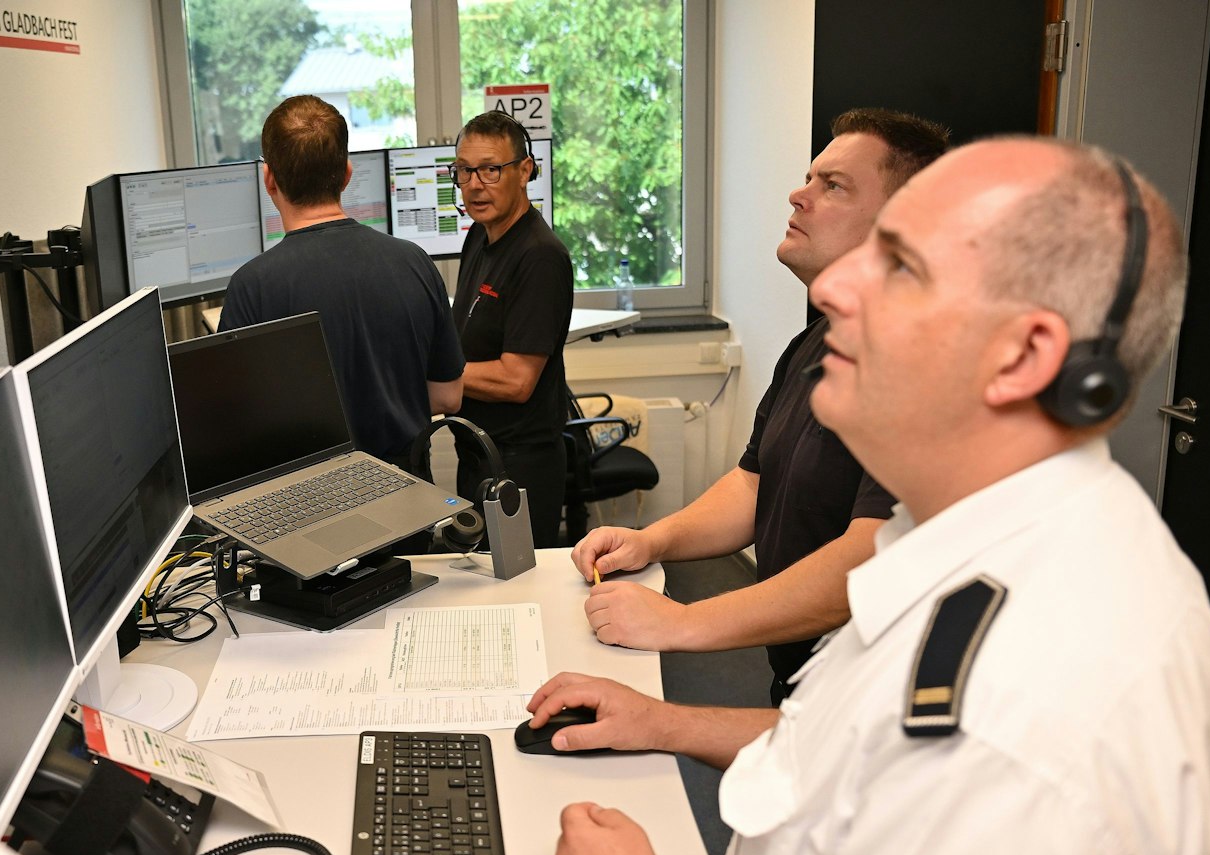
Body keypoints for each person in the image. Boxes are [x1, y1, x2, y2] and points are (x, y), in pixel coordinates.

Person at [530, 138, 1210, 855]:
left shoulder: (1037, 704)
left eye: (899, 265)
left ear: (1023, 356)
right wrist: (664, 723)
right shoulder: (961, 535)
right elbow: (864, 753)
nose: (836, 286)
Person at [573, 109, 948, 704]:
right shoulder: (814, 342)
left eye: (833, 186)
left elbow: (872, 555)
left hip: (873, 695)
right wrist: (653, 540)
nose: (799, 196)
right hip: (800, 677)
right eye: (809, 178)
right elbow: (753, 485)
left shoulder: (924, 363)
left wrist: (683, 622)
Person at [220, 95, 462, 471]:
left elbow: (237, 425)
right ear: (347, 174)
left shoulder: (252, 287)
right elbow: (448, 397)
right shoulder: (416, 262)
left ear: (269, 179)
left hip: (309, 496)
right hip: (411, 491)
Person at [450, 110, 574, 546]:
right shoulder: (479, 236)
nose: (474, 184)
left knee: (516, 582)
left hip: (519, 467)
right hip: (477, 455)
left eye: (490, 169)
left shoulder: (540, 256)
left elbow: (517, 380)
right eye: (464, 170)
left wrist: (436, 379)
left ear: (524, 172)